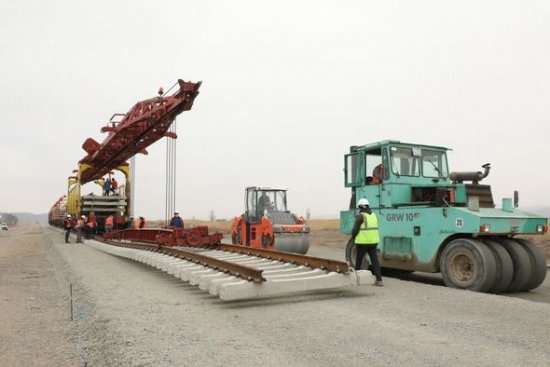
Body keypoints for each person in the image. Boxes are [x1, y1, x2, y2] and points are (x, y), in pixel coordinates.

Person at [350, 198, 383, 286]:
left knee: (359, 261)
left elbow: (355, 229)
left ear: (360, 206)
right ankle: (379, 280)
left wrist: (353, 236)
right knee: (375, 261)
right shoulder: (374, 215)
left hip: (362, 242)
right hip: (373, 242)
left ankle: (356, 280)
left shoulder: (361, 216)